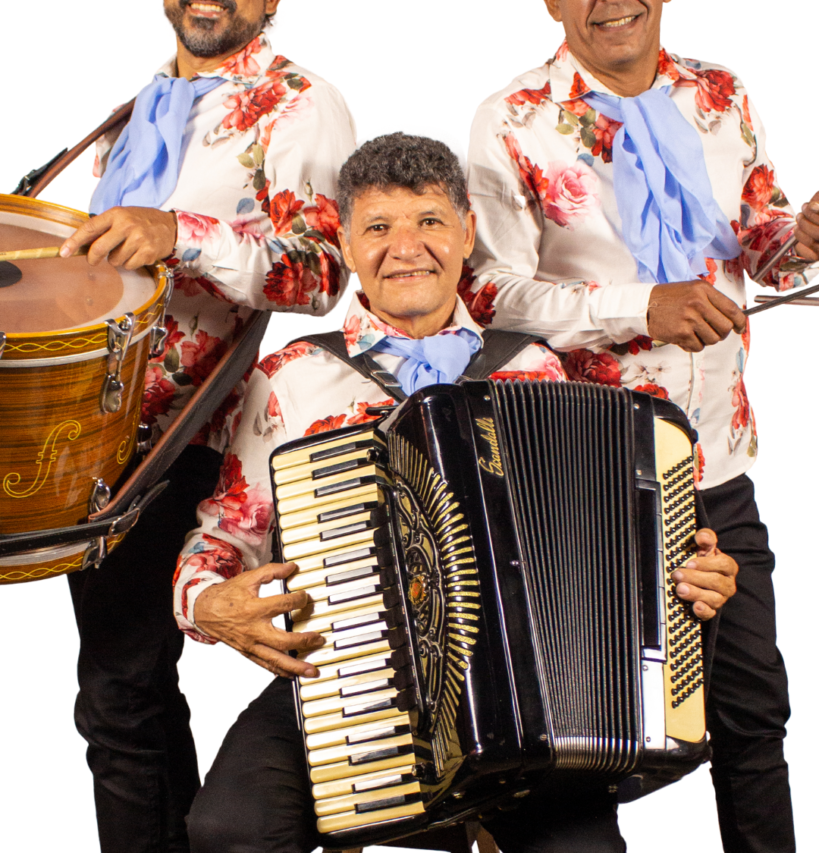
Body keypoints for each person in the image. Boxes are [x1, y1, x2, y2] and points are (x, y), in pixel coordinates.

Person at [172, 132, 738, 853]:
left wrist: (690, 575)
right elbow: (222, 537)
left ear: (467, 234)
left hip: (531, 696)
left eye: (429, 221)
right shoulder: (291, 377)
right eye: (378, 227)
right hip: (349, 679)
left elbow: (609, 544)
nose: (405, 247)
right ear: (345, 244)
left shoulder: (532, 365)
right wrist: (206, 602)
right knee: (228, 830)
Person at [463, 0, 819, 853]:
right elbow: (487, 293)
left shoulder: (721, 96)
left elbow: (755, 239)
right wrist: (639, 306)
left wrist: (800, 239)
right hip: (590, 475)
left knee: (753, 718)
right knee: (592, 732)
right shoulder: (510, 120)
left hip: (717, 465)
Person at [57, 0, 356, 853]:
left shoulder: (301, 105)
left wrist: (175, 232)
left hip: (196, 435)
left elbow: (322, 270)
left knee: (125, 689)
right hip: (103, 433)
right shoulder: (141, 110)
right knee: (121, 694)